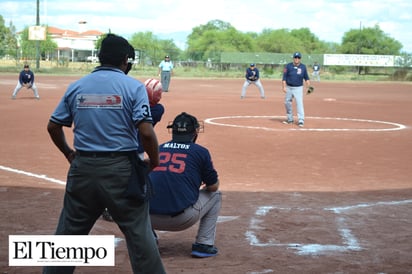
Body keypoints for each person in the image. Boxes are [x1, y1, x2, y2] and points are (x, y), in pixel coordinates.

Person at [44, 34, 166, 274]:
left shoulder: (77, 86)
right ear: (125, 60)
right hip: (121, 170)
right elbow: (147, 133)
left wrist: (69, 153)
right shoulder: (133, 87)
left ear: (100, 58)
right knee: (139, 235)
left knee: (67, 234)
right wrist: (154, 160)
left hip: (83, 169)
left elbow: (53, 126)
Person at [149, 112, 222, 258]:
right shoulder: (200, 152)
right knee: (216, 196)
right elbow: (213, 187)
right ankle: (204, 244)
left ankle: (149, 241)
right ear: (195, 131)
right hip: (181, 220)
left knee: (147, 192)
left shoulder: (158, 148)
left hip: (147, 218)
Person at [101, 79, 165, 222]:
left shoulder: (135, 106)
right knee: (132, 180)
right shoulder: (158, 109)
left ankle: (108, 206)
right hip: (137, 149)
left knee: (115, 178)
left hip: (118, 145)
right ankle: (119, 207)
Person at [282, 52, 311, 127]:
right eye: (295, 57)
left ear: (300, 59)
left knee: (299, 103)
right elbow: (284, 78)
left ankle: (301, 120)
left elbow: (306, 78)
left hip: (298, 88)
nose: (297, 59)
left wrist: (309, 86)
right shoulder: (288, 66)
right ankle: (290, 119)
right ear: (293, 58)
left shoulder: (303, 67)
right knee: (287, 103)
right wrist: (284, 87)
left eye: (298, 58)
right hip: (289, 87)